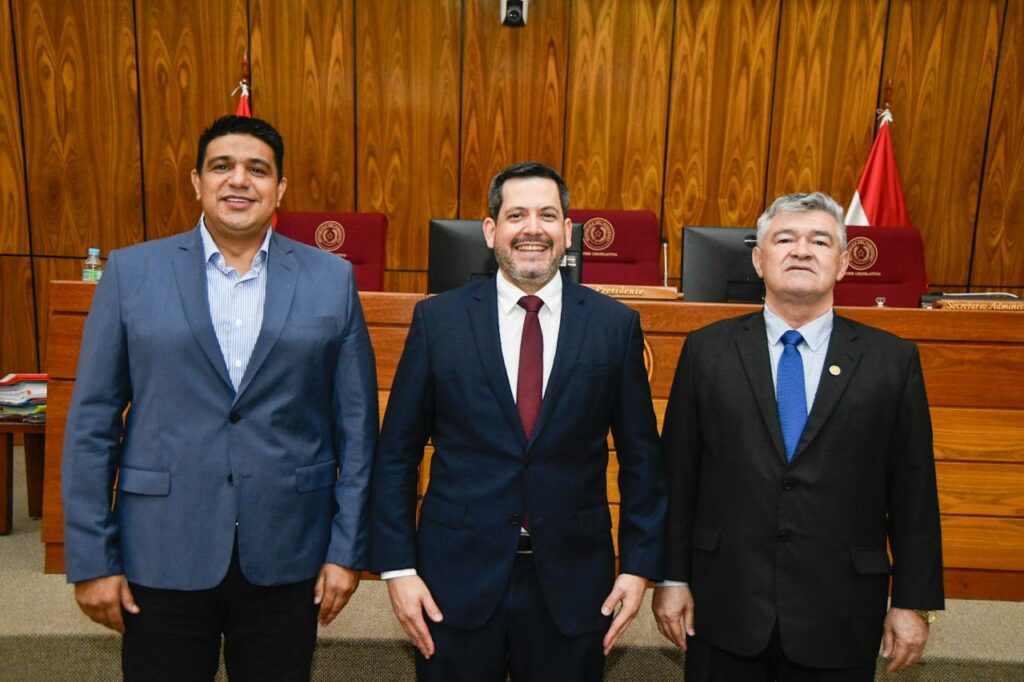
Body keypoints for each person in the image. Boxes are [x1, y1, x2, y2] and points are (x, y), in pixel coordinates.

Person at [62, 115, 378, 681]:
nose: (239, 180)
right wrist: (90, 557)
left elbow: (356, 426)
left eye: (257, 169)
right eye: (221, 167)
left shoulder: (330, 278)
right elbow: (92, 422)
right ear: (196, 181)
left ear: (279, 188)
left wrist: (346, 548)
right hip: (161, 547)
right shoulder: (132, 272)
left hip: (290, 550)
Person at [371, 161, 666, 681]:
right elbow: (397, 453)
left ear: (567, 231)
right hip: (452, 584)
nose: (533, 228)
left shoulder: (614, 326)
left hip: (574, 587)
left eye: (548, 215)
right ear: (491, 230)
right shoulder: (438, 322)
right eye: (517, 215)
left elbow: (643, 459)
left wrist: (639, 566)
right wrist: (398, 569)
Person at [652, 192, 944, 681]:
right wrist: (672, 577)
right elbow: (678, 478)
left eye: (820, 241)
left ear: (845, 262)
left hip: (840, 613)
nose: (802, 251)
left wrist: (913, 602)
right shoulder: (707, 352)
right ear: (758, 258)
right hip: (724, 607)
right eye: (784, 239)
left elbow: (914, 493)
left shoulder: (891, 361)